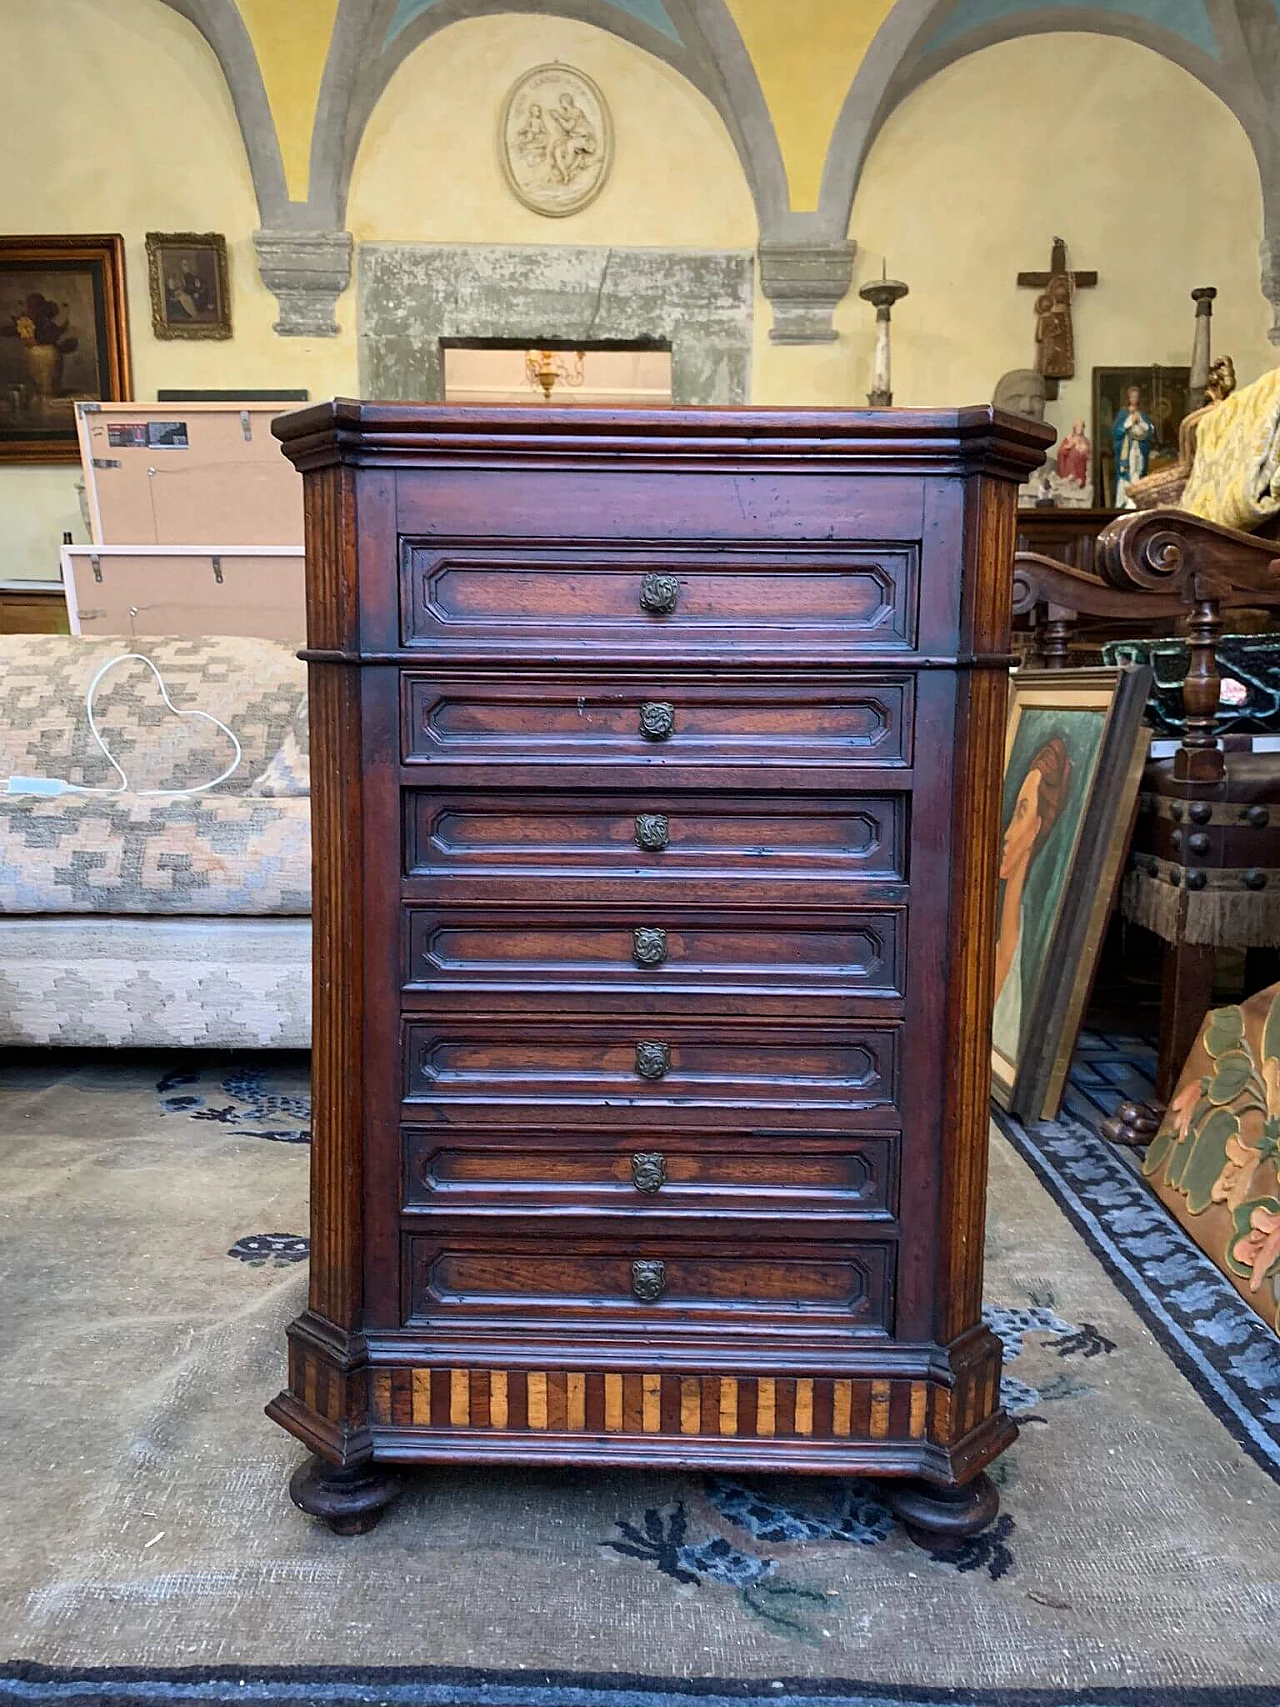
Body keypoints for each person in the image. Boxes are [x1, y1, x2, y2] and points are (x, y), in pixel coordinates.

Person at [992, 735, 1072, 1060]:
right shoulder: (995, 939)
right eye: (1013, 813)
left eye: (1021, 814)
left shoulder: (1029, 950)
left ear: (1038, 826)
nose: (1007, 832)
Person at [1112, 384, 1156, 505]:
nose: (1134, 398)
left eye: (1136, 396)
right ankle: (1125, 502)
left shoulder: (1142, 414)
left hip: (1139, 449)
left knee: (1138, 472)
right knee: (1127, 476)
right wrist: (1129, 422)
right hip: (1126, 451)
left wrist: (1140, 422)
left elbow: (1149, 431)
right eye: (1132, 396)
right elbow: (1116, 432)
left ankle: (1136, 500)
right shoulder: (1123, 413)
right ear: (1128, 398)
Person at [1056, 420, 1091, 490]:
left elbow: (1089, 455)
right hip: (1070, 467)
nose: (1080, 428)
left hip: (1081, 467)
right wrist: (1070, 445)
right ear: (1074, 427)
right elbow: (1061, 452)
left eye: (1081, 426)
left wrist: (1084, 451)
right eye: (1078, 426)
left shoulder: (1086, 441)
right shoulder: (1069, 438)